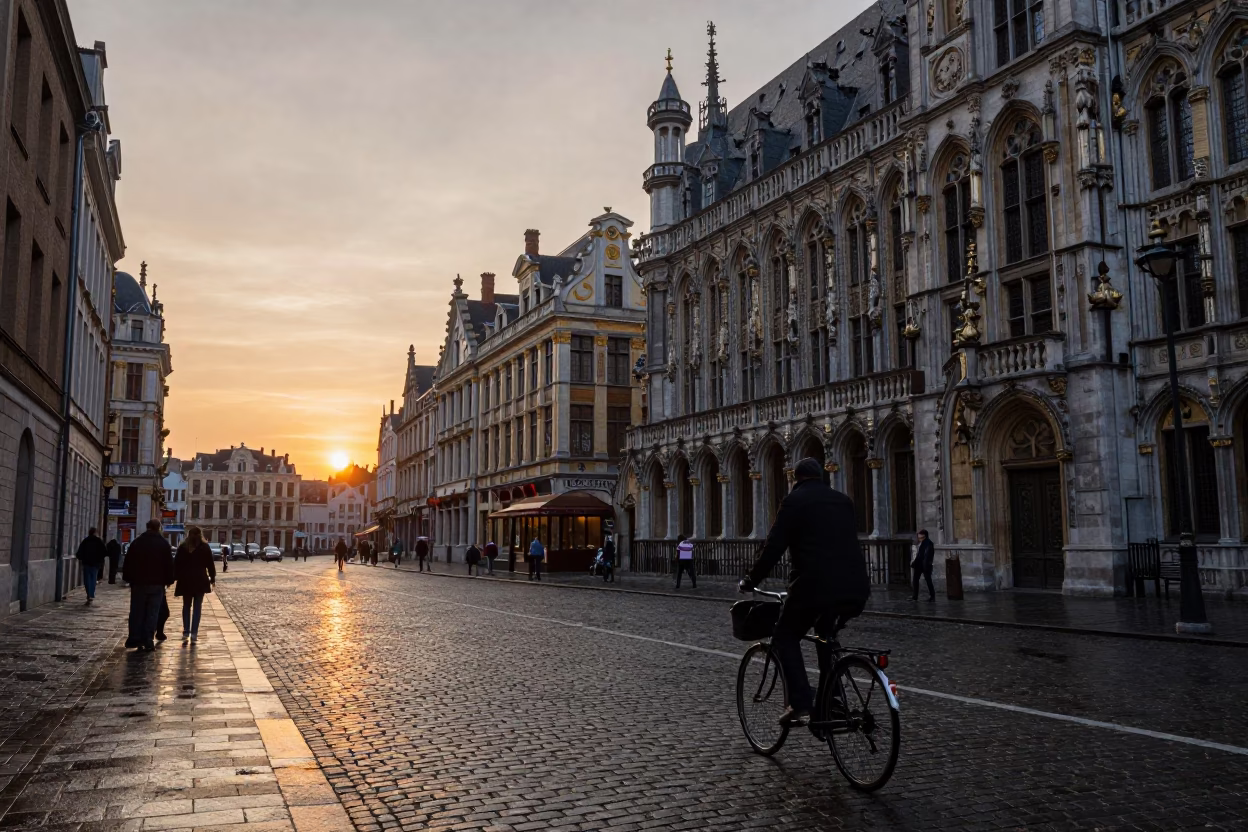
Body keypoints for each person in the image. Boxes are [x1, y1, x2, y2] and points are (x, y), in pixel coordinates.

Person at [739, 457, 870, 727]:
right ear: (821, 477)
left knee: (785, 635)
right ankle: (832, 700)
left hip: (814, 586)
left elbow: (773, 548)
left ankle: (799, 703)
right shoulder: (843, 501)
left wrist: (751, 580)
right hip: (856, 586)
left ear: (796, 479)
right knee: (826, 637)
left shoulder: (794, 502)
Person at [121, 519, 175, 651]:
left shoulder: (137, 543)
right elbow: (169, 565)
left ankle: (136, 638)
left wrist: (128, 578)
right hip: (157, 584)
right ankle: (148, 639)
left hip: (139, 583)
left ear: (147, 527)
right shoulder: (163, 544)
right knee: (153, 612)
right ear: (158, 528)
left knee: (137, 611)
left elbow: (128, 562)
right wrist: (169, 580)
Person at [174, 526, 216, 643]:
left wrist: (175, 578)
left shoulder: (182, 547)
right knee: (197, 608)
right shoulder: (205, 547)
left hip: (185, 580)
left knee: (186, 606)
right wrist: (212, 578)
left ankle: (186, 631)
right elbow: (210, 565)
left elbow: (176, 564)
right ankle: (194, 634)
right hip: (200, 580)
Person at [74, 527, 107, 605]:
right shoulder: (99, 541)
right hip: (96, 564)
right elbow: (105, 552)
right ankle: (91, 594)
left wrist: (82, 558)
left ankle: (89, 594)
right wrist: (99, 559)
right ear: (96, 533)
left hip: (87, 563)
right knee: (93, 579)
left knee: (87, 580)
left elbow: (79, 553)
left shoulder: (85, 541)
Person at [911, 529, 936, 601]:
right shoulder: (919, 543)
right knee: (915, 580)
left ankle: (932, 596)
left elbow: (927, 556)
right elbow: (918, 554)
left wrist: (927, 565)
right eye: (919, 537)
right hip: (919, 564)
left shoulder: (929, 543)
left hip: (925, 564)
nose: (920, 539)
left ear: (925, 536)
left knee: (928, 580)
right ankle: (915, 596)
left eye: (921, 537)